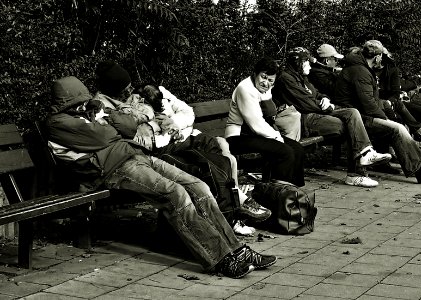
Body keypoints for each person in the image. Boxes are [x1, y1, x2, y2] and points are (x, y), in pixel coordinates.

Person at [46, 76, 277, 279]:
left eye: (86, 101)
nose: (86, 104)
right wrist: (104, 120)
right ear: (68, 103)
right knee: (176, 195)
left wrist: (104, 117)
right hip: (115, 168)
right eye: (80, 102)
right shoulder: (58, 123)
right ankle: (219, 258)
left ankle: (237, 250)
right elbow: (101, 137)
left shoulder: (90, 112)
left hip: (136, 155)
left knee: (199, 186)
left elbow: (128, 127)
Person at [92, 61, 271, 234]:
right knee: (207, 166)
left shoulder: (139, 98)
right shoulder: (104, 107)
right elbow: (133, 131)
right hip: (152, 153)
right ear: (114, 90)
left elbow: (177, 114)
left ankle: (231, 213)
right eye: (126, 88)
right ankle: (232, 213)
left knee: (221, 160)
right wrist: (156, 126)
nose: (131, 91)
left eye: (131, 87)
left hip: (172, 141)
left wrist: (159, 125)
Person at [272, 47, 392, 188]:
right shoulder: (286, 78)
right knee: (351, 123)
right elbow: (305, 103)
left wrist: (325, 99)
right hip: (304, 119)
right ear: (299, 62)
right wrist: (327, 106)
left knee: (353, 113)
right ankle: (356, 173)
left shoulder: (301, 77)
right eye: (307, 62)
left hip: (316, 113)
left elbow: (316, 94)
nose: (310, 66)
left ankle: (364, 155)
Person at [333, 40, 421, 183]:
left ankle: (420, 166)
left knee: (396, 127)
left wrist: (384, 106)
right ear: (377, 56)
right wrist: (385, 117)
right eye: (382, 56)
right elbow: (368, 104)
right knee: (397, 128)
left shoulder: (359, 68)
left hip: (358, 114)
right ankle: (419, 167)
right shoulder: (360, 71)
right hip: (358, 117)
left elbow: (367, 100)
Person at [224, 57, 305, 187]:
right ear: (255, 73)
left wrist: (277, 136)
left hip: (256, 135)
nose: (265, 83)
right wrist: (277, 137)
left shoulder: (265, 88)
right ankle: (277, 191)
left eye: (270, 80)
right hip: (238, 137)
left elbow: (270, 112)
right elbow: (256, 124)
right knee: (285, 151)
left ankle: (294, 191)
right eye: (263, 77)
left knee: (298, 149)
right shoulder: (245, 89)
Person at [375, 47, 421, 144]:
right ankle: (419, 136)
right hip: (382, 103)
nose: (382, 59)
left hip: (392, 100)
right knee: (399, 116)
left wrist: (390, 100)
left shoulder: (391, 70)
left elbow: (397, 90)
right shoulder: (369, 70)